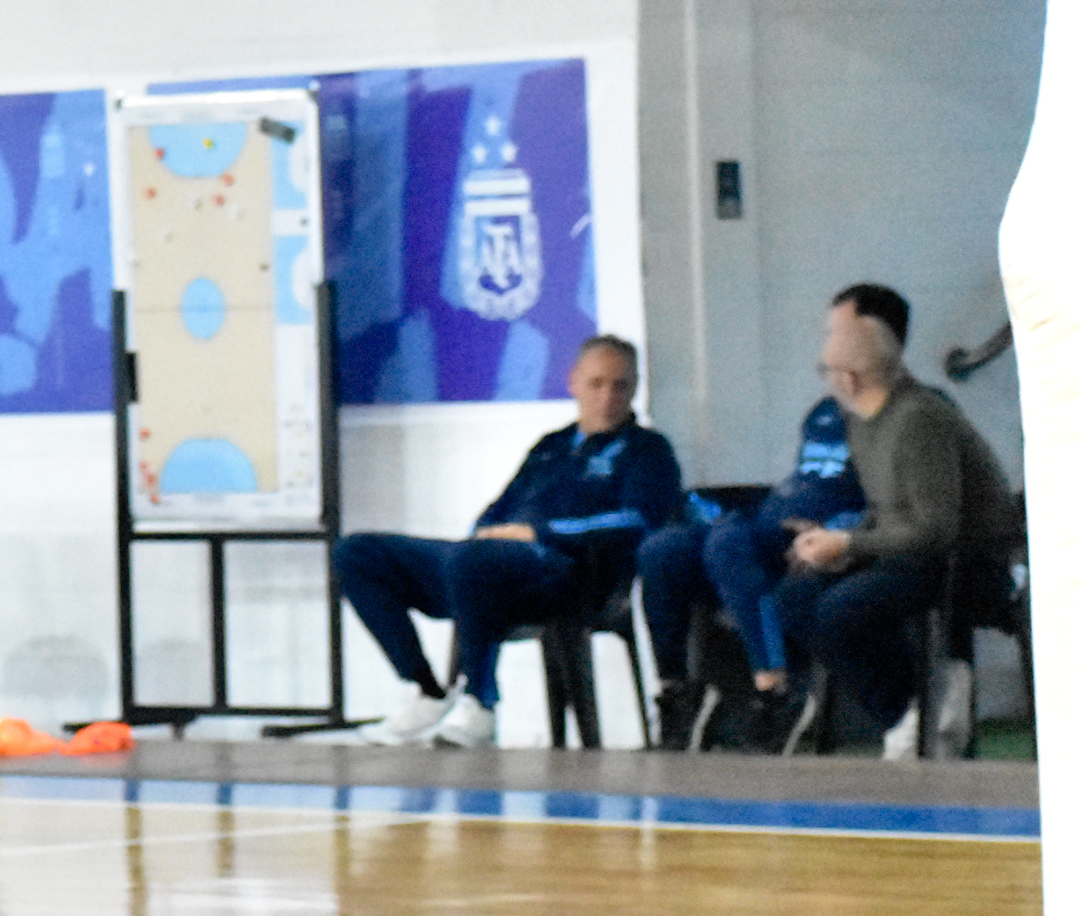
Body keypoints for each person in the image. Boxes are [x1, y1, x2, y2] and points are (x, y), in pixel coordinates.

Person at [341, 335, 683, 748]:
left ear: (635, 387)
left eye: (620, 386)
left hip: (568, 576)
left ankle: (481, 703)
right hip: (490, 564)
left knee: (476, 562)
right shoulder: (551, 446)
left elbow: (637, 524)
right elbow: (499, 507)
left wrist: (542, 534)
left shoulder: (648, 450)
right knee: (358, 553)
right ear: (573, 382)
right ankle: (428, 690)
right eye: (596, 384)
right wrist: (485, 530)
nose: (607, 396)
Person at [635, 285, 901, 750]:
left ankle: (776, 691)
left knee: (727, 543)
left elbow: (896, 504)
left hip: (819, 540)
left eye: (837, 331)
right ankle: (679, 694)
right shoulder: (823, 410)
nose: (827, 344)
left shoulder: (899, 410)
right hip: (771, 522)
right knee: (663, 549)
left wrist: (839, 532)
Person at [773, 306, 1020, 759]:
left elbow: (936, 528)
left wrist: (849, 543)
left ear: (848, 378)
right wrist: (836, 544)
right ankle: (911, 706)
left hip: (965, 564)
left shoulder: (917, 420)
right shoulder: (865, 422)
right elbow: (886, 510)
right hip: (912, 555)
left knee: (839, 612)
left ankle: (916, 708)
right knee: (797, 596)